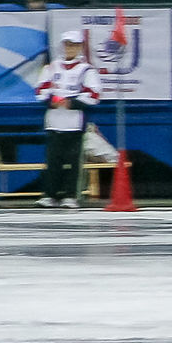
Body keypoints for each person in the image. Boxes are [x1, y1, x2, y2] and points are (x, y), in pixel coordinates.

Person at [33, 28, 101, 208]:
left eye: (74, 45)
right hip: (54, 122)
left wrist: (71, 102)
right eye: (67, 45)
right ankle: (50, 195)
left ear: (80, 47)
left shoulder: (86, 70)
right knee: (52, 161)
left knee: (73, 162)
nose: (70, 48)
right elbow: (40, 90)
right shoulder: (52, 67)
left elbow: (94, 95)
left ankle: (71, 196)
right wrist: (52, 100)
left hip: (74, 124)